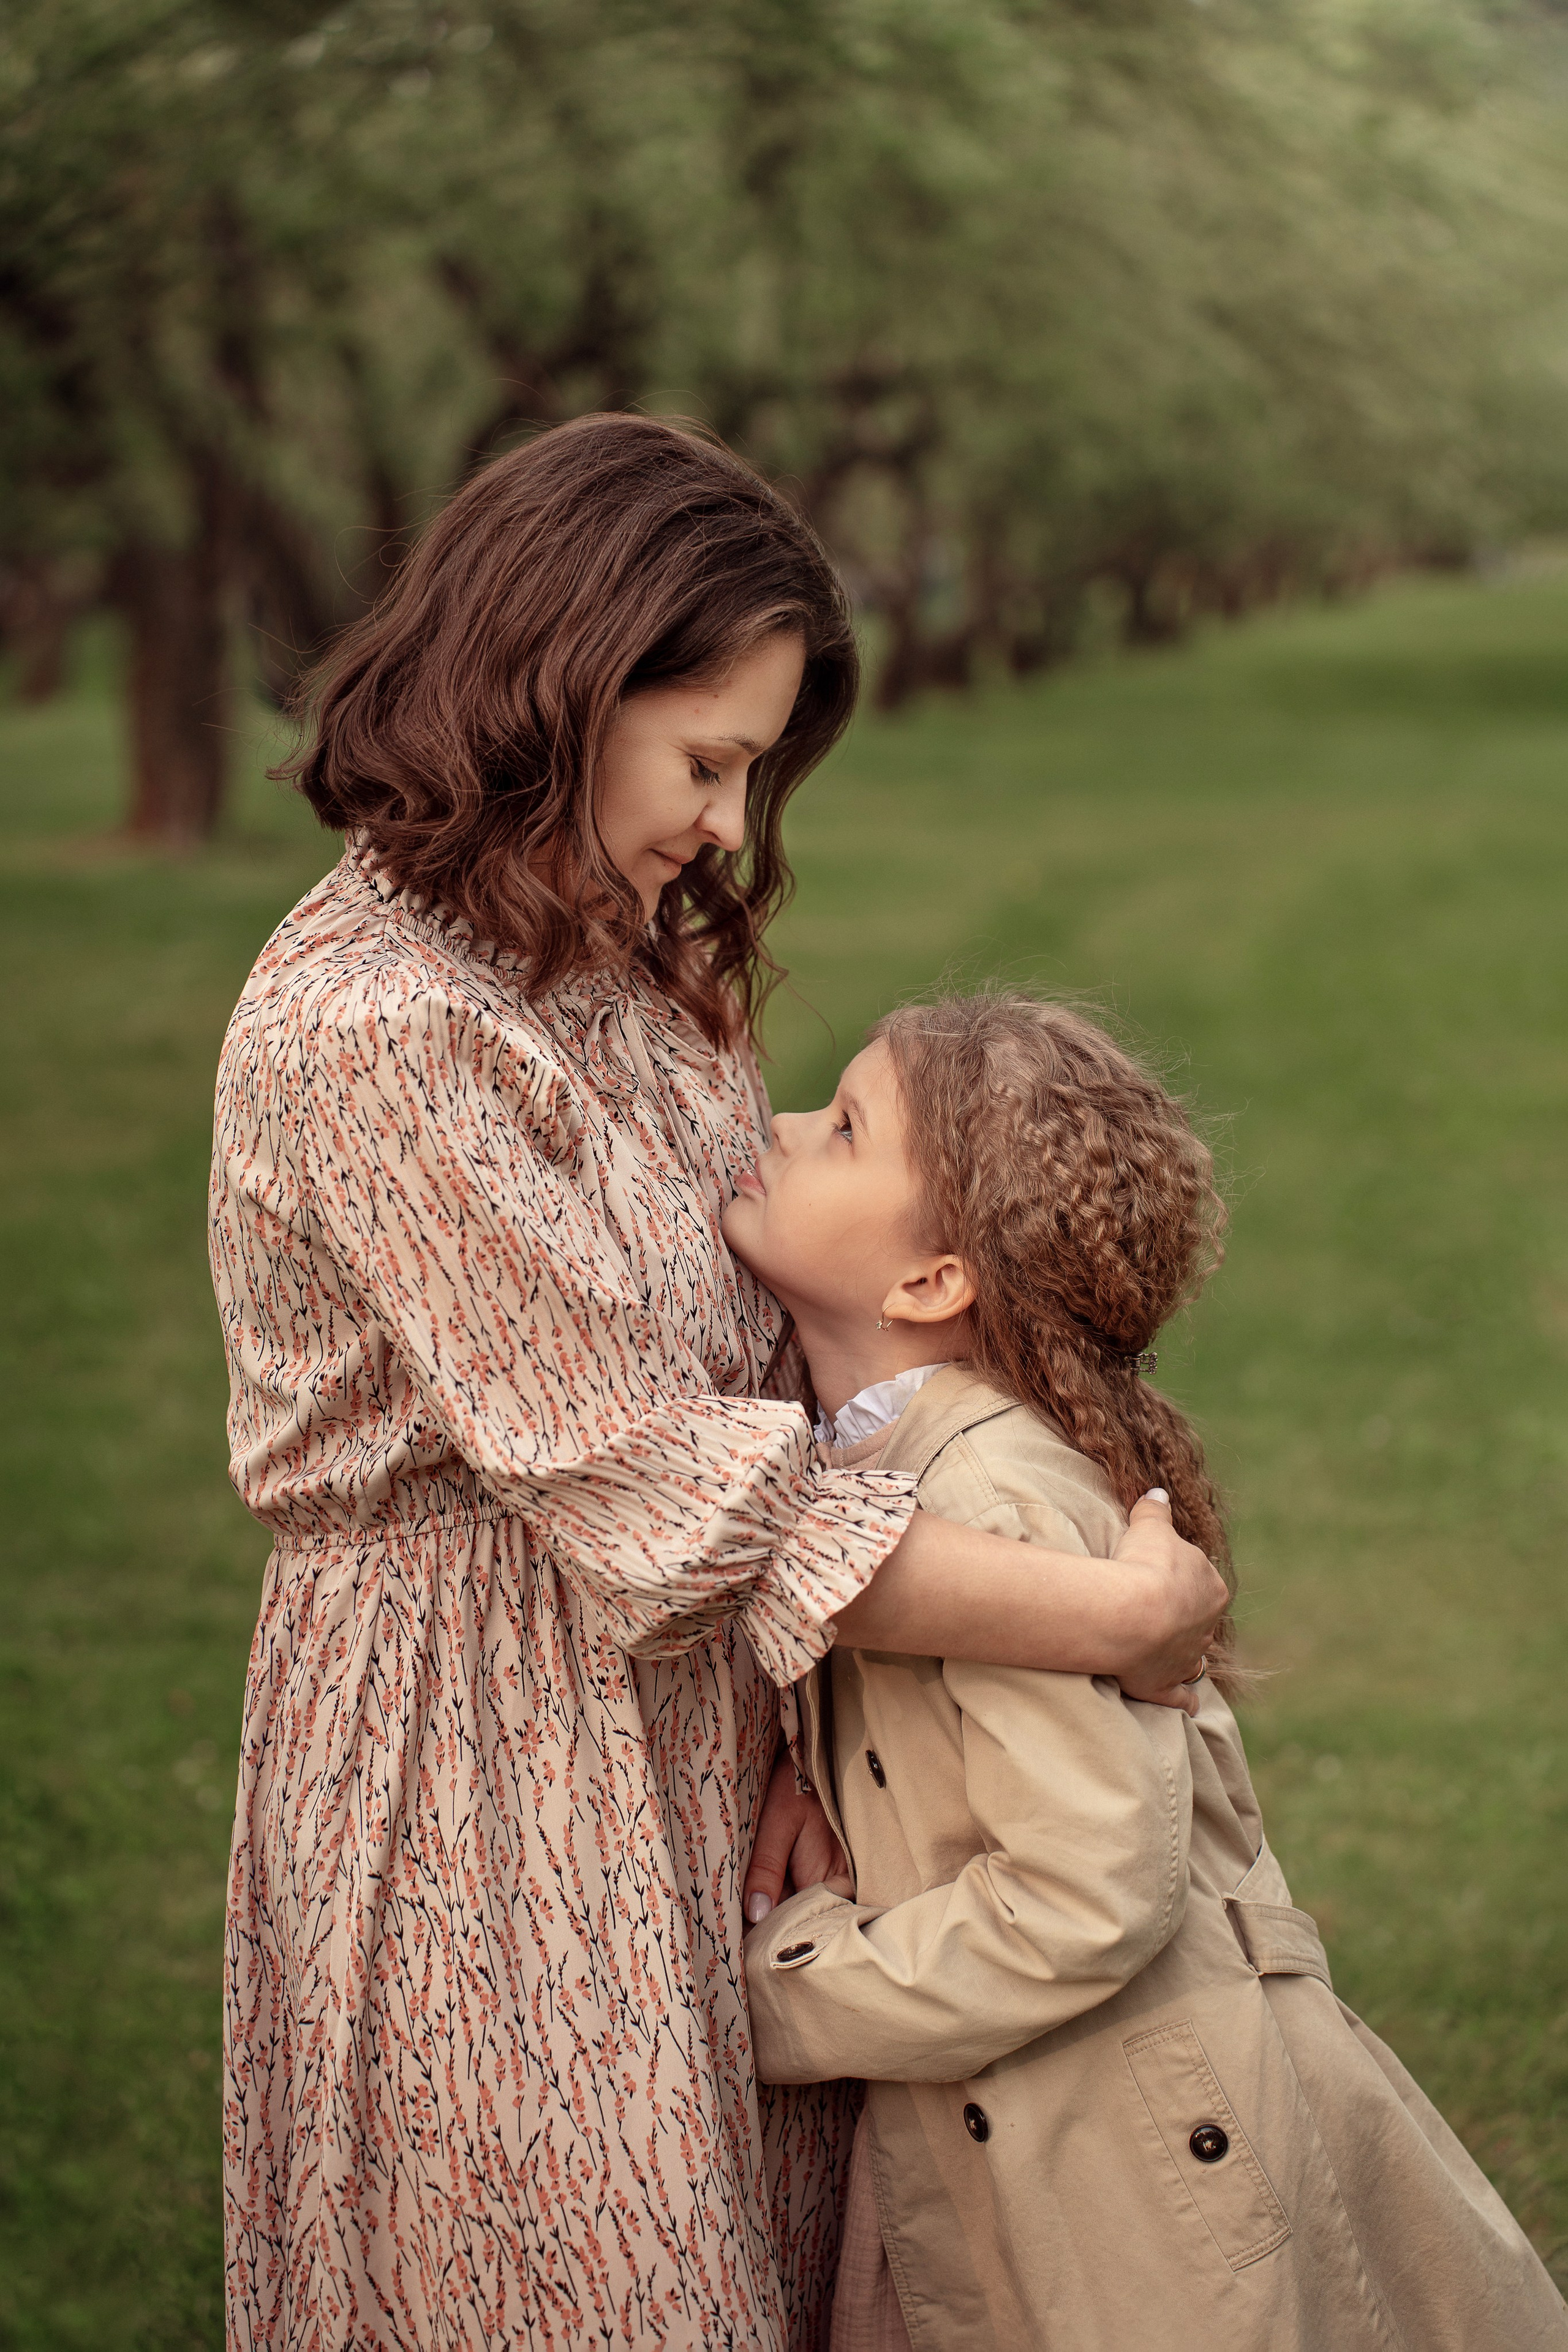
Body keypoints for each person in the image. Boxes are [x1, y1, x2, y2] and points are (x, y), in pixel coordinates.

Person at [209, 415, 1227, 2351]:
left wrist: (791, 1741)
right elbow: (660, 1485)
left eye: (754, 774)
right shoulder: (380, 1031)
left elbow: (752, 1366)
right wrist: (1119, 1618)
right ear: (559, 688)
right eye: (709, 762)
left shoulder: (607, 958)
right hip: (486, 1760)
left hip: (699, 1717)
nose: (734, 831)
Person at [733, 993, 1568, 2351]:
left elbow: (1086, 1890)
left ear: (931, 1282)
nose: (777, 1124)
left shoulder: (985, 1501)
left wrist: (778, 1997)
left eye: (842, 1129)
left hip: (1141, 2180)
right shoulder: (896, 1465)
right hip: (1060, 2143)